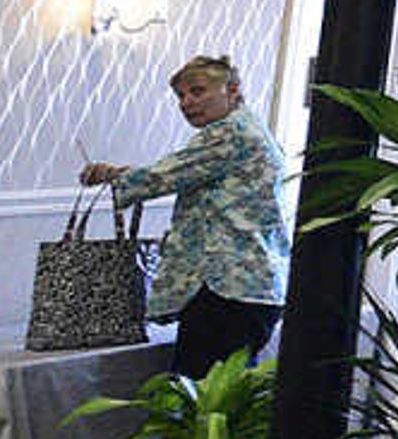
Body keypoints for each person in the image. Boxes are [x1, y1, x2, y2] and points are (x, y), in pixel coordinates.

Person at [83, 53, 288, 377]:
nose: (187, 102)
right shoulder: (249, 129)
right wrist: (119, 173)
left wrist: (111, 176)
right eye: (181, 95)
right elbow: (183, 171)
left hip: (228, 290)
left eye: (198, 91)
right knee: (225, 400)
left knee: (202, 405)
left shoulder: (229, 132)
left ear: (232, 90)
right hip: (255, 287)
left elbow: (163, 176)